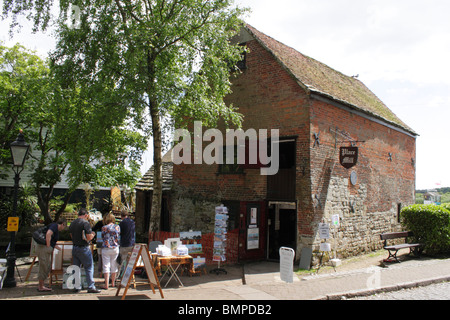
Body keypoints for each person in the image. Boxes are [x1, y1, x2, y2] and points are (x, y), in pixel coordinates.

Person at [69, 208, 100, 293]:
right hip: (84, 248)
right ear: (86, 215)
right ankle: (91, 286)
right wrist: (93, 234)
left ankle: (77, 286)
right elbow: (89, 237)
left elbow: (71, 235)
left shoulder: (72, 223)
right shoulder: (85, 223)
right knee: (89, 267)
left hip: (75, 247)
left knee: (76, 267)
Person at [35, 218, 67, 292]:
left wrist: (54, 246)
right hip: (43, 249)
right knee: (44, 266)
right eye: (64, 226)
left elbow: (51, 238)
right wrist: (48, 245)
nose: (63, 228)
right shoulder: (54, 226)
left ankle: (41, 285)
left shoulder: (54, 227)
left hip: (44, 248)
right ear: (62, 224)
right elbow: (48, 234)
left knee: (46, 265)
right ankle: (41, 286)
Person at [100, 212, 120, 289]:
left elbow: (102, 237)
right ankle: (113, 283)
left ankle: (106, 284)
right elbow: (118, 236)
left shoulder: (104, 227)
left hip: (106, 247)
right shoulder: (117, 227)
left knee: (106, 266)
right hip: (115, 247)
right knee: (114, 265)